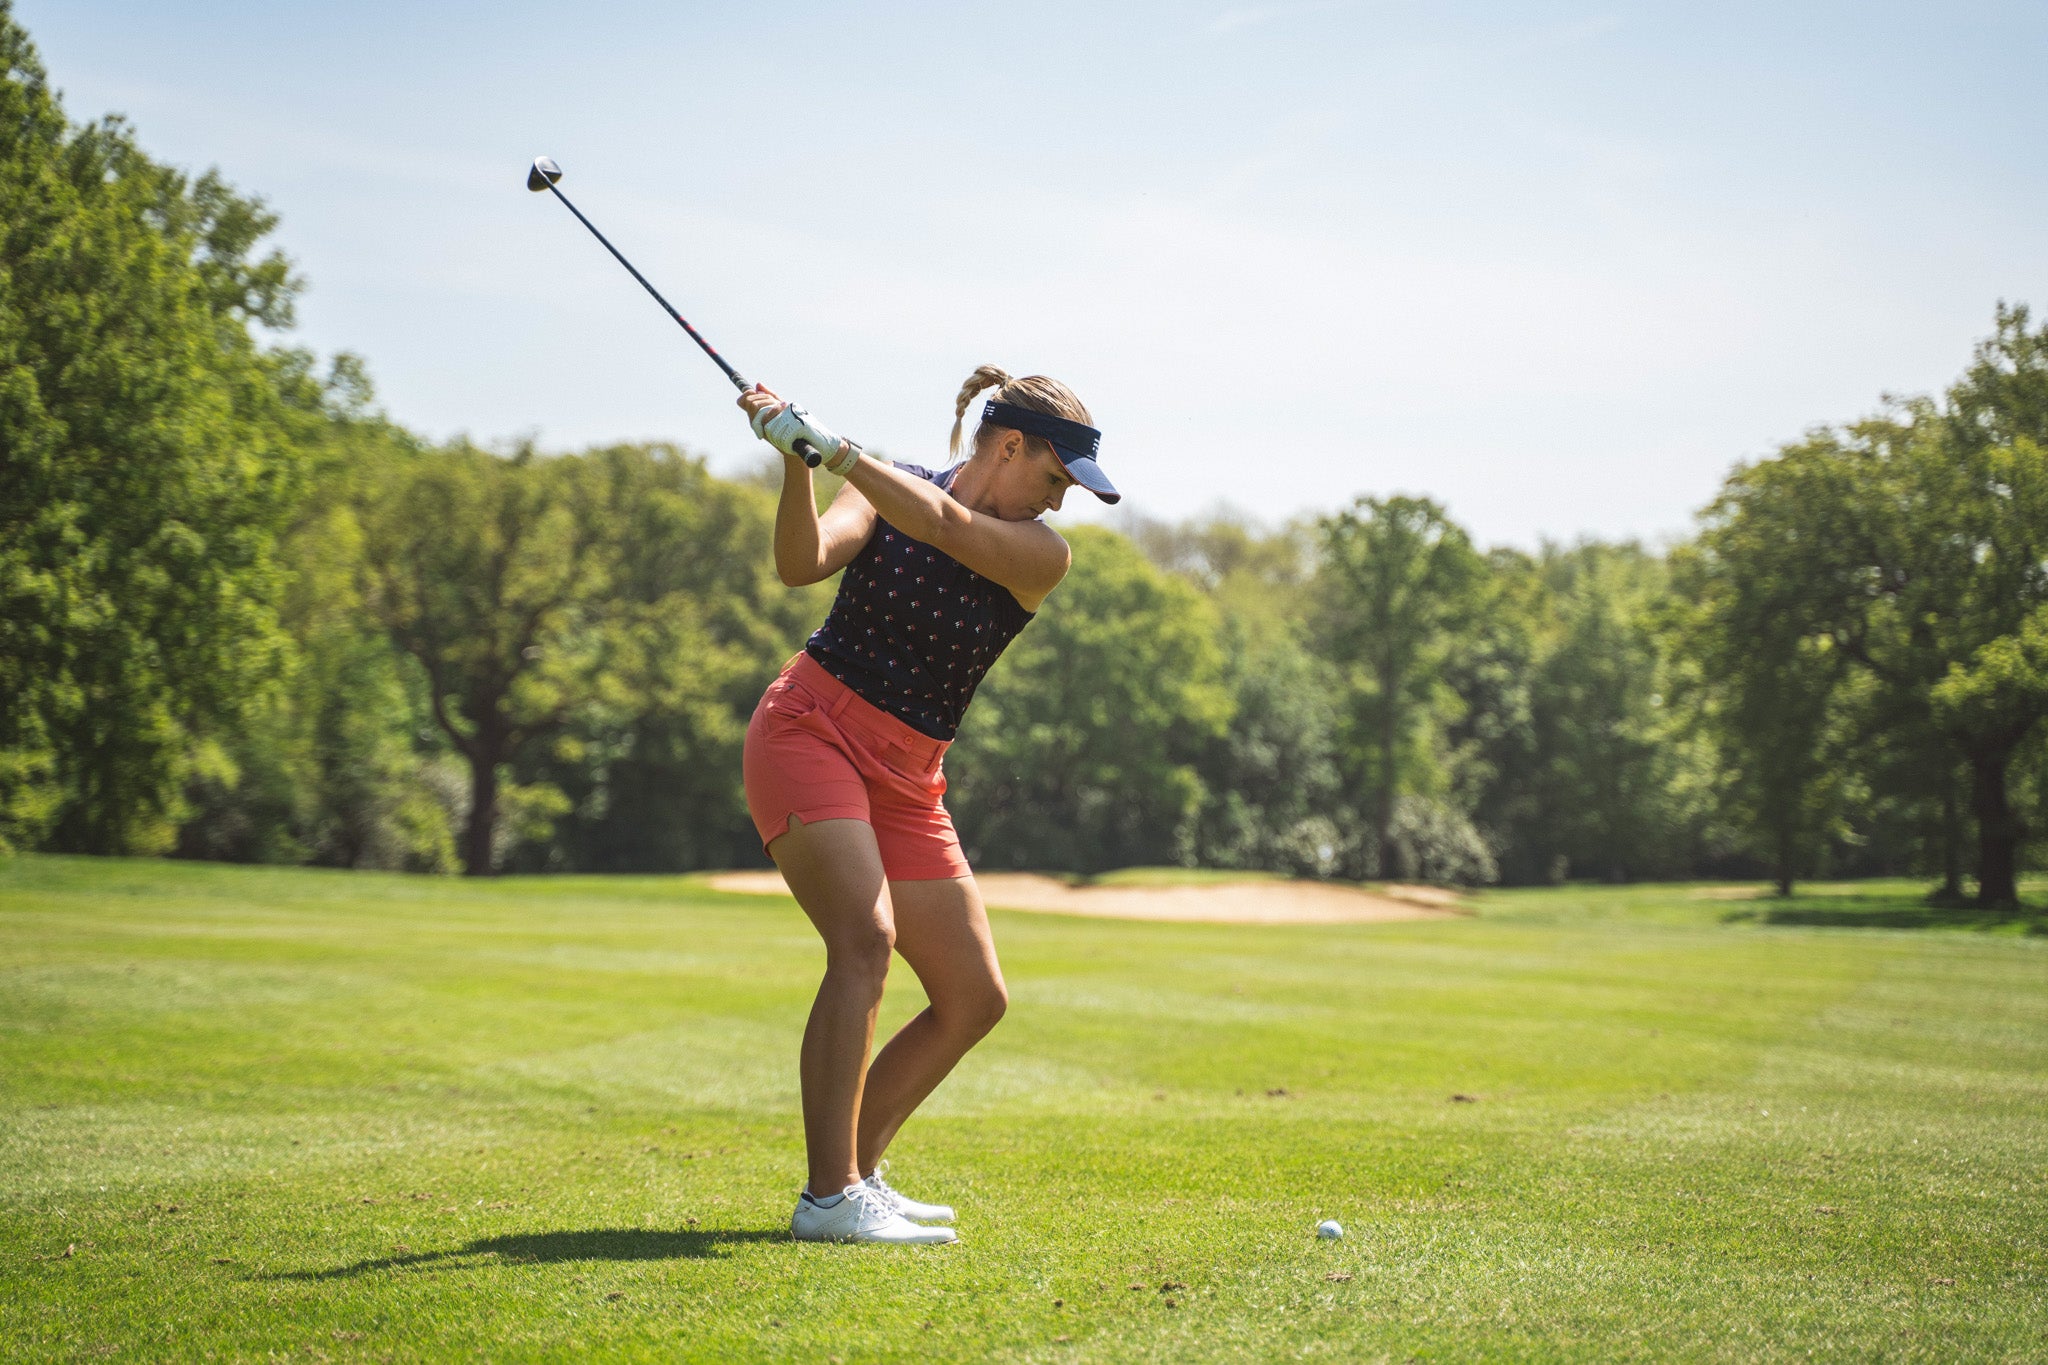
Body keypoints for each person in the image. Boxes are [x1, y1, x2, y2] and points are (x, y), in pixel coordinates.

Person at [737, 365, 1119, 1245]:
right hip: (810, 731)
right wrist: (797, 460)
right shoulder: (887, 488)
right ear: (1010, 444)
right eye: (1055, 479)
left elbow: (943, 523)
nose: (1059, 505)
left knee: (973, 996)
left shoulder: (1040, 555)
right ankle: (828, 1196)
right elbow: (801, 564)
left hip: (910, 776)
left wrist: (837, 449)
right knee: (865, 940)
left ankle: (857, 1173)